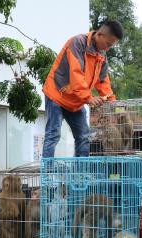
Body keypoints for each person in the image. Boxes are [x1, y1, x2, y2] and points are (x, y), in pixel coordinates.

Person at [42, 20, 124, 158]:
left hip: (76, 100)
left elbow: (103, 81)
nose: (108, 48)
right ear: (100, 34)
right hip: (57, 94)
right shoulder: (77, 43)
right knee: (53, 134)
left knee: (84, 137)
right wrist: (89, 98)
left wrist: (113, 104)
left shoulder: (102, 54)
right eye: (108, 44)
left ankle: (80, 175)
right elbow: (76, 74)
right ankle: (47, 175)